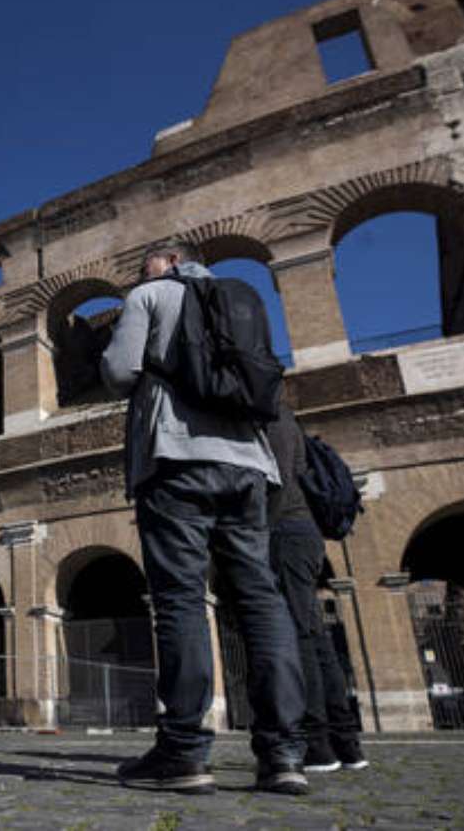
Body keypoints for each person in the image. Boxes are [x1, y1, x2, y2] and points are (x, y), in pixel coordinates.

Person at [99, 239, 307, 795]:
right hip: (249, 464)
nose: (138, 273)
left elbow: (119, 372)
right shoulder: (241, 296)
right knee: (261, 599)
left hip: (176, 458)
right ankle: (284, 753)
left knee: (181, 599)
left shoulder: (150, 295)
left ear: (170, 261)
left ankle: (184, 752)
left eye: (144, 264)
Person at [265, 404, 369, 773]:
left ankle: (318, 744)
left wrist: (258, 532)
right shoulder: (284, 417)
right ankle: (347, 744)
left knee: (300, 638)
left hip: (286, 533)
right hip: (300, 534)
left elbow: (278, 482)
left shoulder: (274, 416)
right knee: (315, 636)